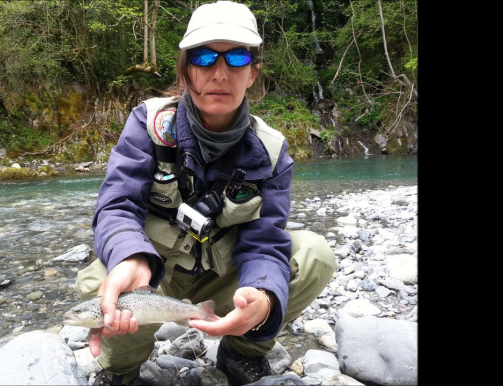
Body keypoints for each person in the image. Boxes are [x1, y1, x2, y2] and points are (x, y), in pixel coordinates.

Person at [74, 1, 337, 385]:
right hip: (152, 275)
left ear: (253, 73)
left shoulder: (272, 150)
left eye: (236, 58)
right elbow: (117, 204)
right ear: (185, 71)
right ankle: (121, 371)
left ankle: (242, 352)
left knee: (314, 255)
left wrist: (263, 298)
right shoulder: (148, 125)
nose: (219, 72)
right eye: (204, 57)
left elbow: (265, 242)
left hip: (226, 278)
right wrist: (130, 257)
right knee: (101, 283)